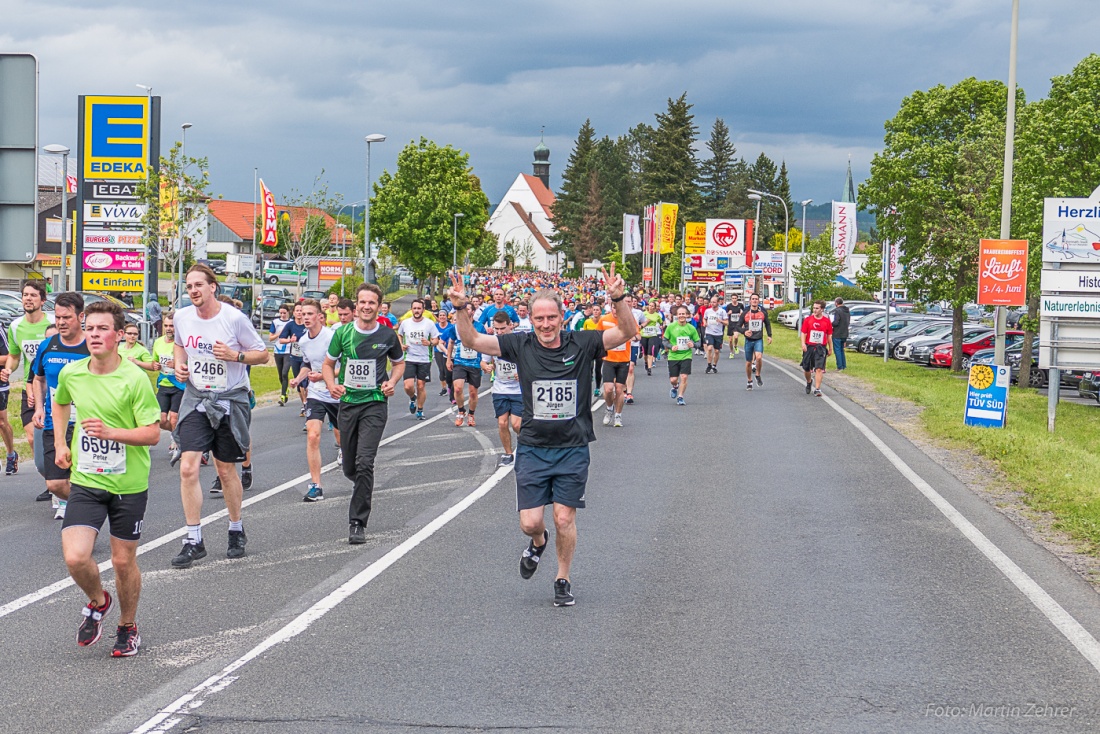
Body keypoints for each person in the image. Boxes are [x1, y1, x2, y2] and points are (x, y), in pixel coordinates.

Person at [448, 266, 634, 607]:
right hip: (534, 447)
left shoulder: (584, 341)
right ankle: (537, 544)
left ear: (563, 317)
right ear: (530, 320)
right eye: (539, 319)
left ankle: (562, 578)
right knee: (530, 523)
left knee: (565, 517)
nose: (546, 325)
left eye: (552, 318)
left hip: (573, 446)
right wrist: (461, 308)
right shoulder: (520, 344)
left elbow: (627, 330)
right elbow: (472, 340)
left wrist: (618, 298)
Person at [53, 301, 161, 657]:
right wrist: (59, 443)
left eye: (102, 329)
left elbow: (152, 434)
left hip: (128, 484)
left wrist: (112, 433)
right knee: (75, 557)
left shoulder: (134, 379)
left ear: (117, 336)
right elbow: (61, 403)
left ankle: (127, 627)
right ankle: (98, 601)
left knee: (121, 562)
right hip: (87, 478)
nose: (95, 335)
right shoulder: (72, 373)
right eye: (90, 328)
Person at [170, 264, 268, 569]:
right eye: (189, 287)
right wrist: (179, 365)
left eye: (199, 284)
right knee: (188, 467)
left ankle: (236, 528)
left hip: (229, 400)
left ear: (214, 287)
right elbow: (178, 345)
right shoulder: (182, 317)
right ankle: (193, 539)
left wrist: (236, 356)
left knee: (226, 470)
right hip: (197, 398)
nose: (194, 291)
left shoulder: (234, 319)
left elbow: (263, 354)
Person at [322, 282, 405, 544]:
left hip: (375, 404)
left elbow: (399, 363)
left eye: (372, 302)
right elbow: (328, 364)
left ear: (379, 306)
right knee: (350, 466)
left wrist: (392, 382)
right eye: (363, 302)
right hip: (347, 403)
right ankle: (362, 483)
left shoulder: (387, 335)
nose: (367, 306)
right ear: (356, 305)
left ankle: (357, 521)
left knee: (364, 462)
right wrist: (331, 384)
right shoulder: (343, 333)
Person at [33, 293, 90, 520]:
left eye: (66, 317)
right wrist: (39, 406)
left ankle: (83, 517)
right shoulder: (48, 346)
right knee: (55, 482)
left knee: (81, 476)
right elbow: (38, 378)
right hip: (54, 423)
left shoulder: (91, 346)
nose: (61, 322)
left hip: (86, 424)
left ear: (81, 316)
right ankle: (84, 506)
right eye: (57, 317)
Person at [2, 280, 54, 481]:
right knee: (33, 437)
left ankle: (57, 480)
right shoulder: (16, 327)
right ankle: (49, 477)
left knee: (53, 436)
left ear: (42, 299)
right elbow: (14, 356)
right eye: (25, 295)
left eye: (33, 295)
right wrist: (8, 370)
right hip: (29, 386)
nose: (28, 299)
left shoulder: (52, 323)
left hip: (52, 386)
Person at [290, 299, 339, 502]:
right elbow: (307, 364)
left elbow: (344, 366)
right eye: (303, 314)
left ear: (320, 316)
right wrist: (298, 379)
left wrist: (327, 376)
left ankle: (346, 452)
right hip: (316, 393)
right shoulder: (303, 341)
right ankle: (316, 485)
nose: (306, 317)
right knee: (313, 436)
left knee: (342, 434)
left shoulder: (332, 337)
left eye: (310, 314)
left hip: (336, 391)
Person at [482, 312, 522, 467]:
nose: (499, 332)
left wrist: (523, 371)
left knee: (517, 424)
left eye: (502, 328)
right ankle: (508, 453)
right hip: (500, 388)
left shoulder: (519, 341)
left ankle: (523, 442)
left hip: (518, 389)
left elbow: (531, 361)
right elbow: (483, 362)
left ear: (510, 325)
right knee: (502, 423)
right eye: (496, 329)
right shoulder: (492, 343)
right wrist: (487, 367)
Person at [396, 299, 440, 421]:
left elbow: (436, 339)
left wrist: (430, 343)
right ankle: (412, 397)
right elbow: (399, 334)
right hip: (409, 358)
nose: (416, 311)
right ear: (411, 310)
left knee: (421, 386)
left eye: (419, 308)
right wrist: (401, 345)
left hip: (424, 359)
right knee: (408, 386)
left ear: (423, 310)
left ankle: (420, 410)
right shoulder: (405, 323)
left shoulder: (429, 324)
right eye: (414, 308)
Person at [152, 312, 185, 465]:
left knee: (174, 417)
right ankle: (177, 433)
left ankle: (177, 442)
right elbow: (155, 361)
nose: (169, 329)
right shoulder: (158, 342)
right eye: (166, 326)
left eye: (171, 326)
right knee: (160, 419)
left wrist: (177, 364)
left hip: (178, 384)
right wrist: (155, 365)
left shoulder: (181, 342)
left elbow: (190, 362)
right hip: (164, 383)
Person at [446, 303, 484, 427]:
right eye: (464, 309)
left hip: (475, 363)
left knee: (473, 392)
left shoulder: (479, 327)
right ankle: (461, 410)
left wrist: (485, 361)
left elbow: (485, 344)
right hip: (460, 362)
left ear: (473, 312)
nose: (466, 311)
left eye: (468, 309)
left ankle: (471, 414)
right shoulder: (456, 327)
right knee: (457, 388)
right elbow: (451, 342)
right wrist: (448, 359)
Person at [596, 305, 630, 426]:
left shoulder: (627, 320)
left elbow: (637, 333)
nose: (616, 310)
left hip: (623, 360)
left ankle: (618, 416)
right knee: (608, 389)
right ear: (611, 308)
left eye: (618, 308)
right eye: (614, 308)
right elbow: (598, 335)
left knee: (620, 389)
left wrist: (636, 336)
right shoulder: (604, 319)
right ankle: (609, 408)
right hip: (608, 359)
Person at [663, 306, 698, 406]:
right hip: (673, 356)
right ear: (676, 315)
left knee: (684, 377)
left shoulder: (691, 328)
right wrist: (671, 346)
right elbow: (664, 341)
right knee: (673, 379)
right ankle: (675, 386)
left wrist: (694, 345)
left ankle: (680, 397)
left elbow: (698, 342)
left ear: (687, 315)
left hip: (686, 355)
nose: (682, 316)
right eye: (680, 314)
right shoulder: (671, 327)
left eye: (683, 314)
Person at [279, 304, 308, 416]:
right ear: (294, 313)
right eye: (297, 311)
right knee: (299, 382)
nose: (299, 313)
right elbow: (281, 340)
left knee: (306, 382)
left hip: (306, 358)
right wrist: (290, 340)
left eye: (301, 310)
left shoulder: (307, 324)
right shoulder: (290, 325)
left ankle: (307, 403)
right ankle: (304, 404)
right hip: (295, 357)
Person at [738, 294, 772, 391]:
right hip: (748, 340)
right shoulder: (745, 313)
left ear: (758, 301)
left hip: (758, 339)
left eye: (756, 299)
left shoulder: (762, 313)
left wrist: (769, 335)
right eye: (753, 299)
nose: (754, 301)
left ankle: (757, 375)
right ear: (750, 301)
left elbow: (768, 324)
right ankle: (749, 380)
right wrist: (744, 331)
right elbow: (737, 326)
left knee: (759, 357)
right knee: (748, 363)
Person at [801, 299, 833, 397]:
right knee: (806, 368)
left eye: (817, 308)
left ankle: (817, 389)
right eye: (814, 308)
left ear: (822, 309)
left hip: (820, 347)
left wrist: (830, 348)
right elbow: (803, 333)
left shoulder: (826, 321)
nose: (815, 310)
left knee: (819, 369)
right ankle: (809, 381)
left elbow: (829, 336)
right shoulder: (808, 320)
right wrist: (803, 344)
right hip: (809, 346)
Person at [269, 305, 292, 406]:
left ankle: (282, 396)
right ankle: (285, 390)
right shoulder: (275, 322)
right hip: (278, 350)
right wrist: (279, 334)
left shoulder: (291, 323)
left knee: (284, 373)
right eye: (281, 313)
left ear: (288, 312)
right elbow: (270, 338)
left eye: (284, 313)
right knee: (280, 375)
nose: (282, 315)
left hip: (288, 350)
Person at [701, 295, 728, 374]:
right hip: (709, 332)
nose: (712, 304)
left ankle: (714, 365)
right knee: (709, 348)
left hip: (719, 334)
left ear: (718, 302)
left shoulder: (722, 311)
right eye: (711, 302)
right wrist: (705, 323)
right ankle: (709, 364)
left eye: (714, 302)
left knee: (716, 351)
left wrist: (721, 321)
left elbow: (727, 323)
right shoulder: (708, 311)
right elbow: (704, 318)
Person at [638, 299, 664, 377]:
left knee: (650, 351)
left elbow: (661, 322)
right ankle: (646, 363)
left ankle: (649, 368)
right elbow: (639, 322)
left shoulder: (657, 315)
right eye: (650, 305)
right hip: (644, 335)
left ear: (655, 308)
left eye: (653, 306)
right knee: (645, 352)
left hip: (653, 334)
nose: (651, 307)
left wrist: (661, 325)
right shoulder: (643, 314)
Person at [433, 310, 453, 401]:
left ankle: (450, 386)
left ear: (446, 316)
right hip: (438, 350)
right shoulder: (435, 326)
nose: (442, 317)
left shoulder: (450, 326)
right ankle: (444, 388)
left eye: (443, 315)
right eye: (440, 315)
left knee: (447, 370)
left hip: (449, 352)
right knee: (441, 370)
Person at [831, 297, 850, 371]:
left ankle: (839, 366)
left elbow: (836, 322)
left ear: (836, 303)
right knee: (842, 349)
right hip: (845, 332)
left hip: (837, 332)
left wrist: (831, 324)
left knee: (837, 350)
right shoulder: (847, 310)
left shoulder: (837, 311)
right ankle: (844, 365)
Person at [725, 293, 743, 359]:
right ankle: (731, 352)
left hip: (737, 324)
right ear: (731, 299)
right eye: (733, 298)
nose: (734, 299)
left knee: (735, 337)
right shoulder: (729, 306)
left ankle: (735, 345)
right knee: (730, 340)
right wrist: (728, 313)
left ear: (737, 298)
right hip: (730, 324)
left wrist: (741, 314)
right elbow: (725, 315)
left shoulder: (740, 305)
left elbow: (743, 314)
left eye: (735, 298)